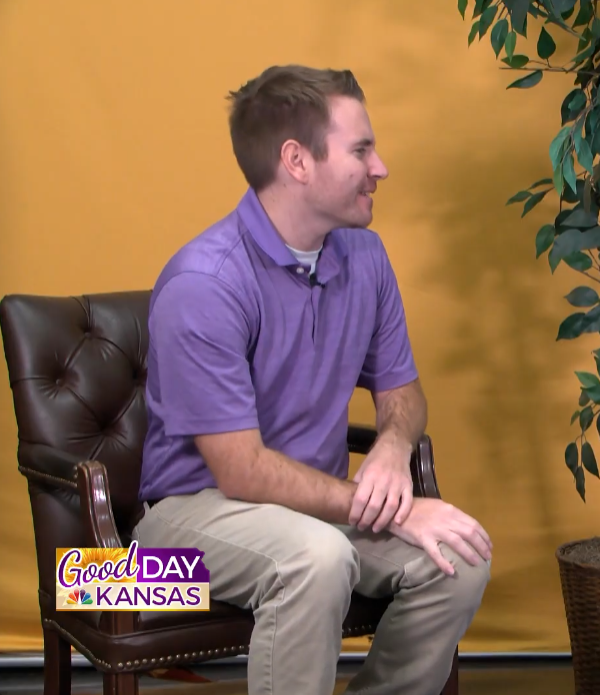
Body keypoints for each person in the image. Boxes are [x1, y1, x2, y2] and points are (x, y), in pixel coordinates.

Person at [133, 65, 492, 695]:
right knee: (316, 560)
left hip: (314, 508)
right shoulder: (205, 284)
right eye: (361, 150)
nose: (380, 167)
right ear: (297, 161)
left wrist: (391, 448)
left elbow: (402, 392)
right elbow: (240, 472)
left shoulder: (365, 257)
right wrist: (384, 509)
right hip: (173, 536)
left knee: (458, 556)